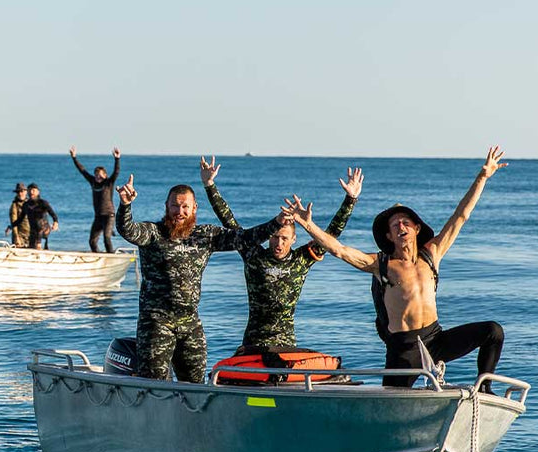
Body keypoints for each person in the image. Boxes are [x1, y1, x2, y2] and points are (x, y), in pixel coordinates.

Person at [284, 147, 509, 387]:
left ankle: (484, 387)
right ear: (390, 236)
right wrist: (309, 225)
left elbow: (461, 216)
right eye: (395, 225)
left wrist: (482, 177)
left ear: (416, 229)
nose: (401, 226)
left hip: (435, 339)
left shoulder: (432, 254)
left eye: (406, 222)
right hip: (404, 348)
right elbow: (339, 250)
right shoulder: (380, 264)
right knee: (391, 400)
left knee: (493, 331)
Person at [116, 173, 284, 383]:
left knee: (196, 386)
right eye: (175, 206)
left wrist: (276, 223)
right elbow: (128, 230)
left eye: (185, 207)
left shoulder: (205, 236)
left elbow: (245, 238)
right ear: (166, 207)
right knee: (155, 385)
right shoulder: (153, 233)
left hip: (190, 324)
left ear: (194, 208)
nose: (180, 212)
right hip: (157, 323)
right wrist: (125, 206)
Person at [200, 156, 362, 356]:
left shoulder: (301, 260)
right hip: (253, 341)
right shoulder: (253, 253)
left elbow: (331, 236)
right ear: (269, 237)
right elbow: (229, 222)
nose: (279, 243)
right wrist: (209, 184)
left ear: (294, 239)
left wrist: (350, 199)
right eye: (275, 237)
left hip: (285, 343)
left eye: (284, 238)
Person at [70, 145, 121, 252]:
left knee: (106, 238)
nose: (98, 176)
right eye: (96, 174)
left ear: (105, 176)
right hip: (98, 216)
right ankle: (98, 257)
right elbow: (82, 170)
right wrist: (74, 157)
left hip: (109, 215)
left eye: (100, 175)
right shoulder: (92, 182)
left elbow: (116, 173)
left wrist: (117, 159)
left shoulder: (108, 183)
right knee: (92, 241)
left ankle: (110, 256)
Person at [12, 184, 59, 249]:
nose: (31, 192)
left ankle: (39, 244)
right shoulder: (26, 205)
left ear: (38, 192)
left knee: (39, 225)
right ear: (27, 192)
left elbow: (53, 214)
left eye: (33, 190)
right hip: (33, 230)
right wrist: (11, 226)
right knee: (31, 246)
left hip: (44, 229)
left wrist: (55, 222)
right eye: (30, 190)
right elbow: (20, 219)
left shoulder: (43, 203)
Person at [7, 183, 31, 247]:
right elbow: (14, 221)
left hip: (31, 235)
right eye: (18, 192)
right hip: (20, 236)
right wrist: (16, 237)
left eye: (22, 191)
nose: (20, 194)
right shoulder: (14, 205)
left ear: (26, 192)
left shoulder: (30, 203)